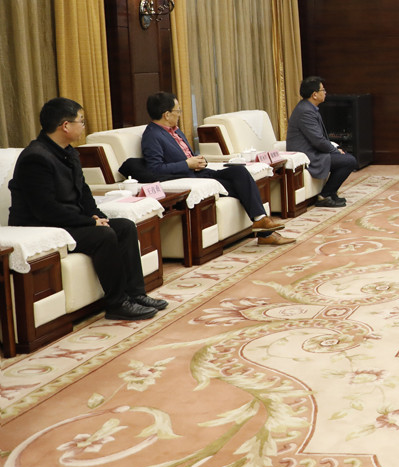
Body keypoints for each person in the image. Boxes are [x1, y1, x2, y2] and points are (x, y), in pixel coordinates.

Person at [8, 98, 167, 321]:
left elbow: (83, 191)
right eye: (81, 121)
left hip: (68, 221)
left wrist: (96, 215)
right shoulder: (35, 158)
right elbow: (45, 210)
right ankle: (117, 303)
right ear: (65, 126)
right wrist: (90, 222)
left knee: (125, 227)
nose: (84, 126)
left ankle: (136, 295)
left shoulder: (68, 152)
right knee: (104, 235)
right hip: (44, 226)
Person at [141, 92, 295, 246]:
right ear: (167, 115)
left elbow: (187, 155)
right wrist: (187, 164)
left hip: (200, 172)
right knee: (242, 187)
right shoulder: (152, 135)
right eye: (177, 111)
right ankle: (264, 230)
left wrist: (199, 160)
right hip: (190, 178)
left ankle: (261, 222)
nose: (179, 114)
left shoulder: (175, 130)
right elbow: (155, 169)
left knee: (239, 171)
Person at [286, 76, 357, 207]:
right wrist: (335, 151)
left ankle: (331, 193)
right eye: (323, 90)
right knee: (349, 161)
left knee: (346, 158)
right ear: (314, 94)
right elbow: (318, 141)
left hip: (313, 151)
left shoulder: (308, 107)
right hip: (307, 154)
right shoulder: (305, 112)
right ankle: (325, 195)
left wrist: (335, 149)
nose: (325, 92)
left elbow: (319, 139)